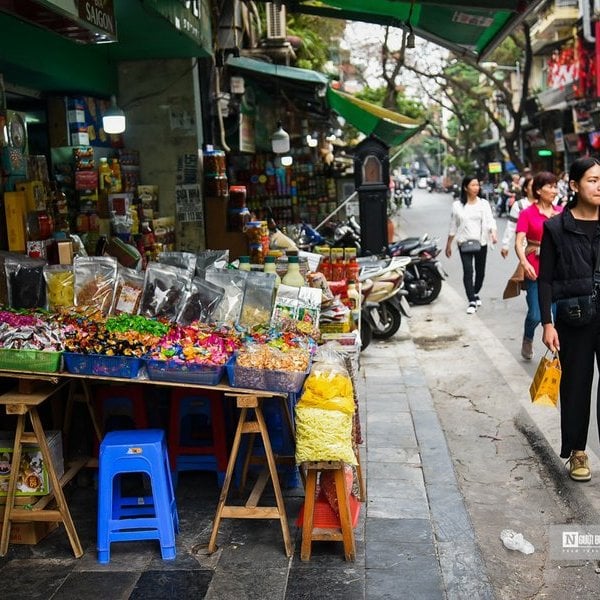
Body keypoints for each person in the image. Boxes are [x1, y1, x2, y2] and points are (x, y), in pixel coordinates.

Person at [538, 156, 600, 482]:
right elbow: (544, 279)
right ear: (574, 186)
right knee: (576, 385)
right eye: (592, 180)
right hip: (574, 318)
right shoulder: (555, 228)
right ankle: (577, 452)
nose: (599, 185)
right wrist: (547, 323)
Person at [514, 172, 561, 360]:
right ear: (539, 190)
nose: (554, 190)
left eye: (555, 186)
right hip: (535, 267)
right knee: (535, 314)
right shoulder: (527, 213)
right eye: (549, 186)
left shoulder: (561, 212)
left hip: (559, 270)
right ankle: (528, 338)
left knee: (558, 315)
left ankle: (558, 352)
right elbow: (518, 242)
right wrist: (525, 264)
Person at [445, 175, 497, 314]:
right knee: (468, 271)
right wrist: (448, 245)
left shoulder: (483, 204)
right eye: (473, 185)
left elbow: (491, 220)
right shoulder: (457, 205)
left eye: (477, 185)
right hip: (464, 242)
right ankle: (471, 300)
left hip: (482, 242)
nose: (476, 188)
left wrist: (493, 233)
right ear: (465, 187)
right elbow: (453, 226)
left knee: (480, 273)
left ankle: (474, 292)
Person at [500, 174, 534, 259]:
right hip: (524, 247)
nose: (535, 188)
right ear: (526, 189)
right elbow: (511, 226)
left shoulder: (546, 204)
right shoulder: (519, 205)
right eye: (531, 186)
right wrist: (505, 245)